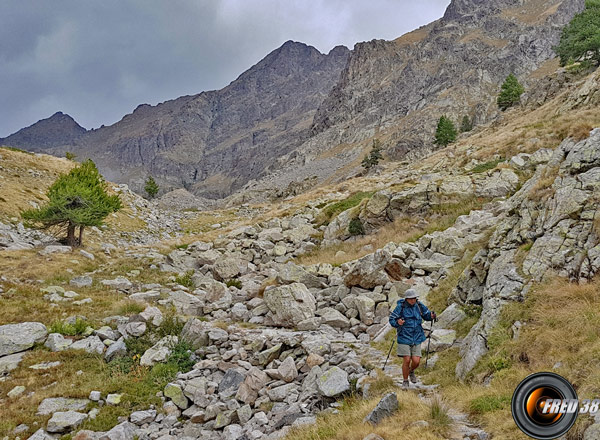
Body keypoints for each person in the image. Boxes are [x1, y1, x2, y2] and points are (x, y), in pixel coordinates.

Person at [389, 289, 436, 389]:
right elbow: (392, 319)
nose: (413, 300)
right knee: (406, 359)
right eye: (411, 299)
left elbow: (426, 315)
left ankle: (411, 371)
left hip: (417, 336)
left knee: (416, 361)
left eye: (414, 298)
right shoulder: (400, 307)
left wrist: (431, 316)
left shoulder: (419, 305)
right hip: (404, 336)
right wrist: (398, 322)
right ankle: (405, 381)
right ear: (406, 299)